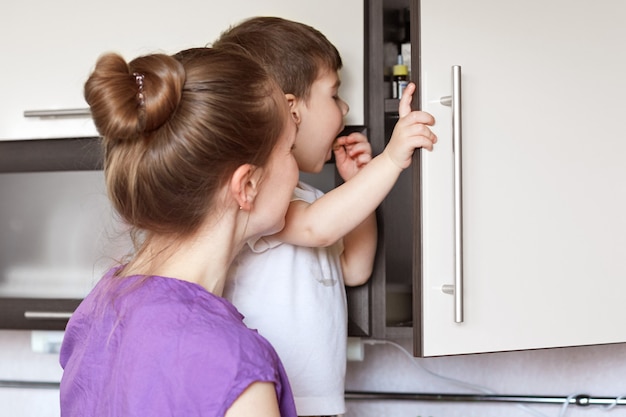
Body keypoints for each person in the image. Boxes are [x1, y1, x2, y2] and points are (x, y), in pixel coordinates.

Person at [213, 17, 437, 417]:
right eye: (334, 95)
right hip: (271, 404)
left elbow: (355, 268)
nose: (346, 108)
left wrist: (362, 184)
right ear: (290, 110)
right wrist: (391, 158)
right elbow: (317, 227)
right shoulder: (257, 195)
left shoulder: (313, 198)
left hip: (318, 405)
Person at [59, 47, 300, 417]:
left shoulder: (95, 310)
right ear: (247, 184)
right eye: (290, 149)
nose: (298, 169)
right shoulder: (234, 364)